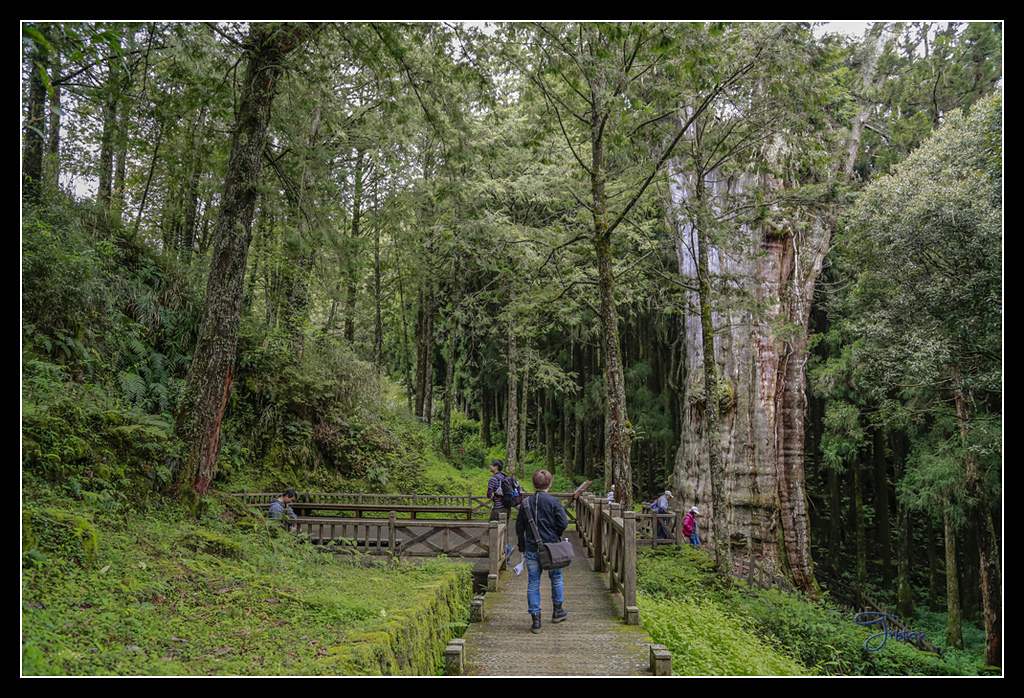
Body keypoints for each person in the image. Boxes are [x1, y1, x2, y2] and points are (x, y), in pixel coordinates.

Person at [516, 469, 569, 634]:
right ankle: (557, 611)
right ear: (550, 484)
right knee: (556, 578)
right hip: (552, 549)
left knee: (533, 583)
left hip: (532, 549)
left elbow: (519, 528)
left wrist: (522, 547)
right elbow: (564, 523)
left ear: (533, 484)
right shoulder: (554, 502)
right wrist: (556, 535)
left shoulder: (525, 504)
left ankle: (536, 620)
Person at [486, 459, 515, 563]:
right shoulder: (505, 477)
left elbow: (489, 494)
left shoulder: (493, 479)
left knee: (493, 529)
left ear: (496, 467)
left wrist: (492, 496)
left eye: (492, 465)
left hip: (498, 509)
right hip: (507, 508)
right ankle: (507, 558)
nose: (490, 466)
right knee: (504, 531)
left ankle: (505, 550)